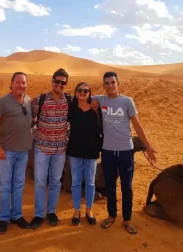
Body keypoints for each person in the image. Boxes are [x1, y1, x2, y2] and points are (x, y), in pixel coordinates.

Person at [91, 71, 157, 235]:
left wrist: (148, 146)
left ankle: (126, 219)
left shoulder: (127, 101)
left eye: (113, 82)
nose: (110, 86)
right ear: (104, 86)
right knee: (110, 187)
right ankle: (111, 216)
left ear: (117, 83)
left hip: (126, 152)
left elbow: (137, 125)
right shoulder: (101, 100)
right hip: (107, 152)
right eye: (107, 83)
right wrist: (92, 102)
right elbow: (86, 99)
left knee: (127, 188)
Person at [0, 71, 33, 234]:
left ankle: (17, 215)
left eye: (23, 82)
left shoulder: (28, 100)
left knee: (19, 185)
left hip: (23, 152)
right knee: (5, 186)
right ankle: (3, 218)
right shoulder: (3, 102)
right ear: (12, 83)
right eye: (18, 82)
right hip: (6, 152)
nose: (21, 85)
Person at [30, 68, 72, 228]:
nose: (59, 85)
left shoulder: (69, 100)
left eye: (63, 82)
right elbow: (25, 114)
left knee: (55, 181)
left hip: (60, 149)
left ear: (66, 84)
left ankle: (51, 212)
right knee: (40, 182)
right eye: (57, 81)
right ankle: (39, 214)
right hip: (41, 147)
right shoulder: (40, 100)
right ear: (52, 81)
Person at [66, 82, 103, 226]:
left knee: (90, 182)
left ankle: (89, 209)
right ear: (75, 92)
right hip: (74, 150)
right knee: (75, 183)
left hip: (91, 150)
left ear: (89, 93)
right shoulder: (71, 108)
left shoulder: (95, 108)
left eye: (86, 91)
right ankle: (76, 210)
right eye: (79, 90)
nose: (82, 93)